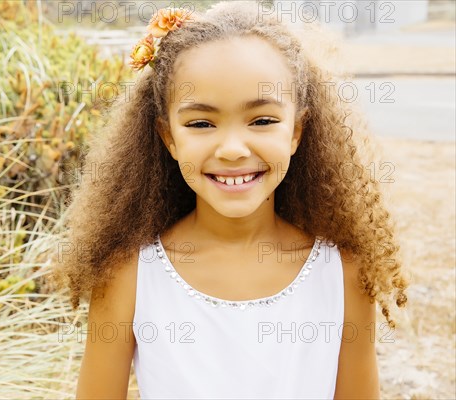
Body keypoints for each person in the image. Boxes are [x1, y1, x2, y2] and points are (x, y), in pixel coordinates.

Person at [54, 1, 409, 398]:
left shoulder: (343, 272)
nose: (233, 149)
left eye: (262, 120)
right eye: (201, 123)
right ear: (168, 137)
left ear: (296, 131)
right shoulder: (128, 274)